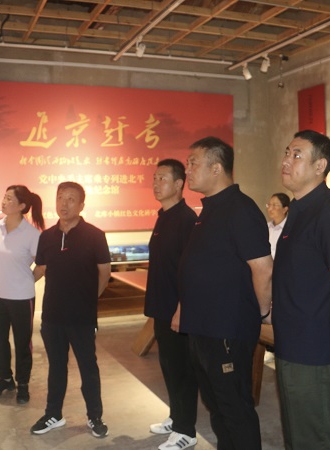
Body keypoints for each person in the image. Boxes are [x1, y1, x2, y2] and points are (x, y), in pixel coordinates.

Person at [179, 136, 273, 449]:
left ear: (217, 168)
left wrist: (261, 312)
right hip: (203, 328)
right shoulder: (209, 210)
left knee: (234, 407)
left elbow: (263, 268)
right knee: (217, 406)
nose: (188, 169)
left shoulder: (240, 209)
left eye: (194, 163)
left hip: (226, 331)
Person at [272, 130, 330, 450]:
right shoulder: (299, 209)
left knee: (314, 438)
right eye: (287, 152)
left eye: (297, 155)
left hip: (316, 350)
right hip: (291, 343)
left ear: (320, 166)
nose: (286, 160)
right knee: (297, 435)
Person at [30, 182, 111, 439]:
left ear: (82, 205)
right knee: (56, 367)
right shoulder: (47, 237)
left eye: (71, 199)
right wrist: (13, 287)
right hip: (52, 316)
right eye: (60, 198)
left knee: (88, 368)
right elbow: (40, 270)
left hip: (82, 317)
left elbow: (104, 272)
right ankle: (53, 414)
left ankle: (95, 416)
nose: (64, 204)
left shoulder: (95, 235)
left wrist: (89, 300)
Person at [145, 159, 199, 450]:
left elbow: (191, 270)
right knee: (168, 366)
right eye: (155, 178)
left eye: (163, 178)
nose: (156, 183)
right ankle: (176, 416)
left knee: (182, 371)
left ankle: (186, 431)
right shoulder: (163, 216)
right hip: (161, 306)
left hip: (177, 310)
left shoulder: (186, 220)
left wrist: (182, 308)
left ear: (179, 184)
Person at [0, 185, 45, 404]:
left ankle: (23, 383)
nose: (4, 201)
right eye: (4, 196)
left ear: (22, 206)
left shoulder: (32, 234)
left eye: (10, 199)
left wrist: (26, 281)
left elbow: (42, 266)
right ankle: (5, 379)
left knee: (22, 343)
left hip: (21, 297)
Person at [265, 192, 290, 260]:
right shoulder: (265, 227)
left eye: (274, 205)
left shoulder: (291, 228)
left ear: (285, 209)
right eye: (269, 205)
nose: (270, 209)